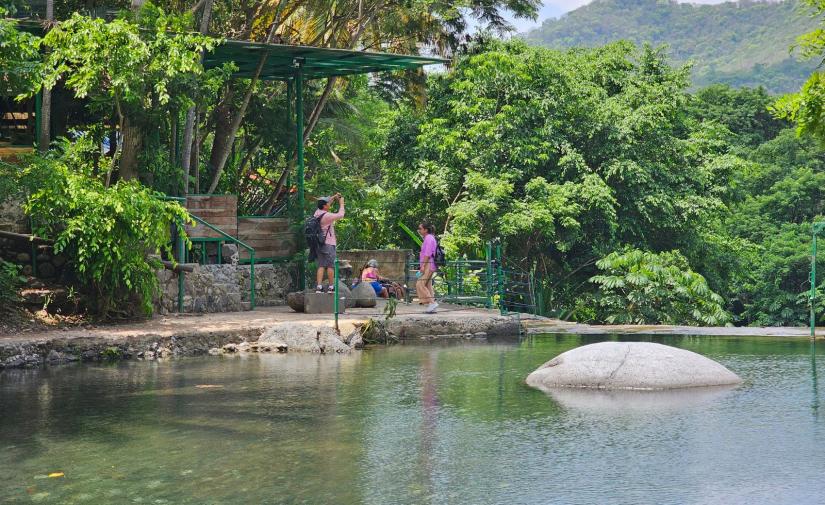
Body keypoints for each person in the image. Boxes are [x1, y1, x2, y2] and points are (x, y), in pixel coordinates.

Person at [314, 193, 345, 293]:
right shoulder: (327, 216)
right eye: (328, 203)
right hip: (328, 243)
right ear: (324, 206)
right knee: (330, 265)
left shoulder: (317, 213)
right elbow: (341, 215)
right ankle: (331, 287)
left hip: (319, 243)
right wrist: (341, 203)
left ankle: (319, 287)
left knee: (321, 265)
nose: (329, 203)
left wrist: (334, 197)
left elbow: (325, 203)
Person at [416, 220, 438, 313]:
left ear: (425, 230)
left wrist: (423, 266)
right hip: (429, 263)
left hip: (428, 263)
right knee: (428, 285)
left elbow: (428, 254)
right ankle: (432, 306)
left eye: (420, 228)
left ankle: (432, 303)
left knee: (420, 284)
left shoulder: (429, 238)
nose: (419, 230)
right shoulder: (429, 237)